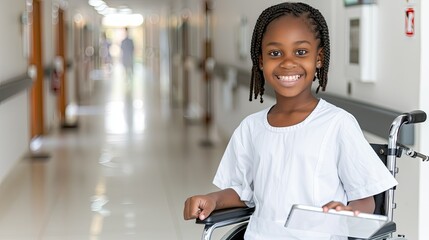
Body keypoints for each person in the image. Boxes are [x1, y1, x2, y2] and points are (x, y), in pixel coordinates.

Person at [183, 2, 398, 240]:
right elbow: (240, 191)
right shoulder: (251, 128)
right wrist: (212, 199)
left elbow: (365, 198)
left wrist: (348, 213)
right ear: (261, 60)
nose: (287, 62)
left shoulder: (337, 123)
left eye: (301, 52)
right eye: (275, 53)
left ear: (319, 58)